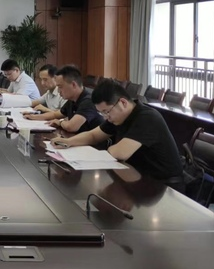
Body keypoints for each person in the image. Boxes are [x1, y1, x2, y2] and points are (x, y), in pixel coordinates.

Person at [51, 79, 184, 191]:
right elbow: (93, 136)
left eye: (106, 112)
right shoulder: (118, 116)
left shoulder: (147, 117)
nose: (105, 117)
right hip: (136, 176)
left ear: (123, 103)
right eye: (102, 113)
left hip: (163, 186)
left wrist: (110, 148)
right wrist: (68, 142)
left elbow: (120, 153)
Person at [24, 65, 102, 133]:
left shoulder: (88, 100)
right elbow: (55, 114)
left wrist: (60, 123)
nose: (58, 91)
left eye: (60, 87)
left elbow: (71, 127)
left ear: (73, 85)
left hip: (93, 144)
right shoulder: (72, 99)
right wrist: (33, 117)